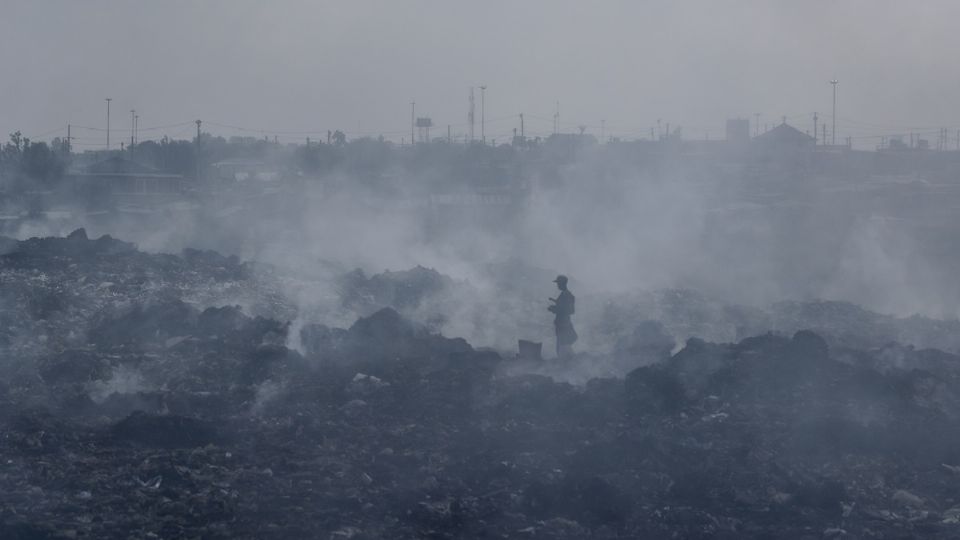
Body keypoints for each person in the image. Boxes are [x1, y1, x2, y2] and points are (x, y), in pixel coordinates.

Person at [548, 275, 577, 359]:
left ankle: (567, 364)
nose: (557, 285)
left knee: (562, 347)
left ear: (562, 284)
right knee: (561, 346)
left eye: (558, 283)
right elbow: (564, 307)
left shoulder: (567, 295)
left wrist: (555, 309)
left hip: (563, 325)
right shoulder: (564, 295)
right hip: (561, 324)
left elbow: (570, 310)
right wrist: (556, 305)